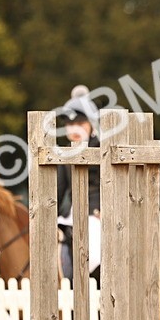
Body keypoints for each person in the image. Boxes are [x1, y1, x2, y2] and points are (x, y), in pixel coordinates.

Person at [57, 85, 102, 281]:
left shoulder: (102, 148)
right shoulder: (62, 152)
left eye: (80, 123)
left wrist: (104, 208)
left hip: (99, 213)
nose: (74, 129)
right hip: (72, 214)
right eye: (69, 124)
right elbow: (59, 192)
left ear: (92, 125)